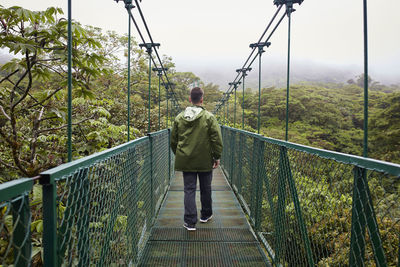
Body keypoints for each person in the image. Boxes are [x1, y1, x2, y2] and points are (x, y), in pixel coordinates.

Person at [170, 87, 223, 231]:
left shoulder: (179, 117)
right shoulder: (209, 117)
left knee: (189, 189)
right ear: (202, 99)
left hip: (186, 160)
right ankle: (205, 215)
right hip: (205, 160)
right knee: (206, 188)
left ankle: (190, 222)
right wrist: (216, 156)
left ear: (189, 99)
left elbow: (173, 141)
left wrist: (181, 154)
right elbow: (216, 140)